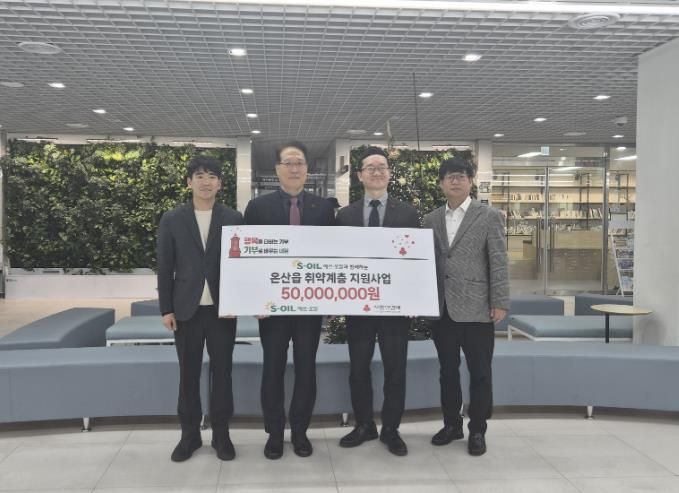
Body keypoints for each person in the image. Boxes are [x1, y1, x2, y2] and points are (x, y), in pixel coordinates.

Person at [243, 140, 335, 460]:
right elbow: (248, 259)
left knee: (307, 369)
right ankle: (274, 432)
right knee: (273, 368)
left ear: (307, 169)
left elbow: (332, 257)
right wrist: (254, 300)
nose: (294, 168)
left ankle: (300, 431)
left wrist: (331, 299)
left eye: (299, 163)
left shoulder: (324, 208)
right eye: (288, 163)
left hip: (310, 305)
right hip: (272, 308)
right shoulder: (258, 208)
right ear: (277, 169)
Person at [157, 155, 243, 463]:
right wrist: (166, 309)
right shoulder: (172, 219)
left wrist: (238, 302)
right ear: (189, 182)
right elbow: (165, 266)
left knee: (223, 374)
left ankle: (222, 435)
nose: (206, 182)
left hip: (222, 311)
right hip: (186, 311)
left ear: (220, 183)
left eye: (212, 177)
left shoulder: (234, 218)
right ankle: (189, 435)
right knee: (188, 374)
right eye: (200, 176)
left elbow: (241, 266)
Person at [335, 147, 419, 456]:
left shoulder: (408, 213)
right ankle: (364, 425)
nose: (377, 172)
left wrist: (414, 298)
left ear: (389, 174)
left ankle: (391, 429)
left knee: (395, 369)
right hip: (358, 307)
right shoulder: (345, 216)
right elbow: (337, 260)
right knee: (358, 369)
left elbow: (415, 261)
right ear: (359, 175)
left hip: (395, 308)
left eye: (382, 167)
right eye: (370, 167)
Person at [423, 156, 509, 457]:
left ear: (471, 181)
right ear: (441, 183)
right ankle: (451, 425)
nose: (455, 181)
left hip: (477, 307)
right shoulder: (431, 219)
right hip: (443, 309)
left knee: (480, 372)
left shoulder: (488, 216)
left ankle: (478, 430)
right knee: (447, 371)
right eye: (449, 177)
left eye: (461, 176)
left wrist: (500, 301)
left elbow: (498, 261)